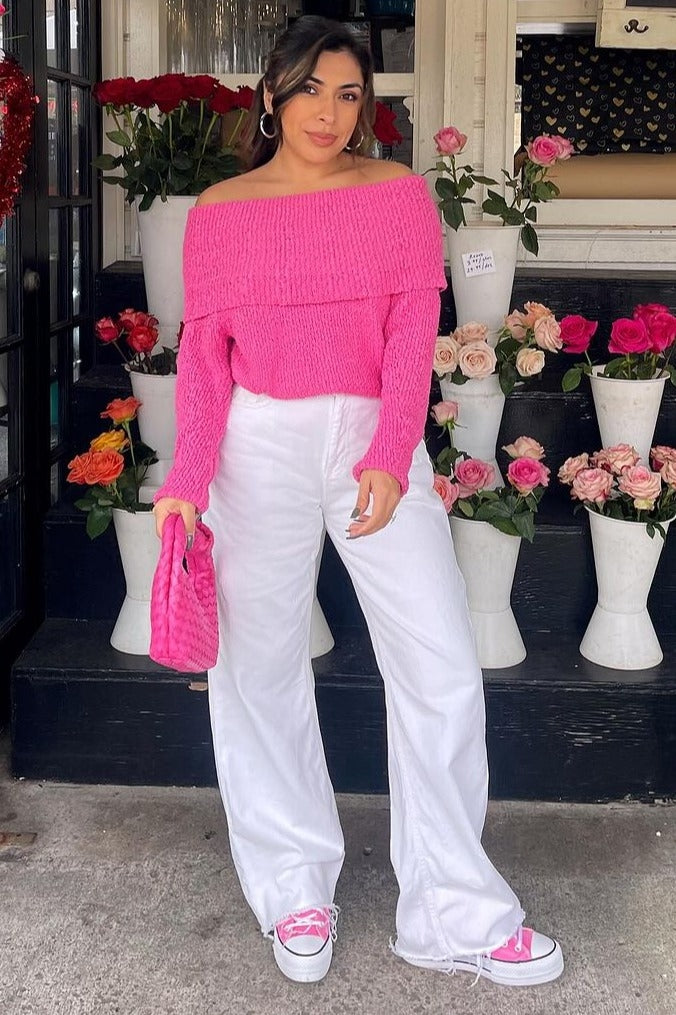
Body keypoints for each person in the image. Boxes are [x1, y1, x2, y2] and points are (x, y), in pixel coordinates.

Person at [152, 14, 564, 989]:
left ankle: (453, 909)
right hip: (255, 442)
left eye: (347, 94)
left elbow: (414, 323)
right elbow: (205, 361)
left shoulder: (395, 194)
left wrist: (388, 449)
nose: (328, 112)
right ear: (270, 95)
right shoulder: (221, 210)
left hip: (370, 438)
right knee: (257, 667)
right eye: (309, 89)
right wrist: (184, 482)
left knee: (439, 662)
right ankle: (293, 884)